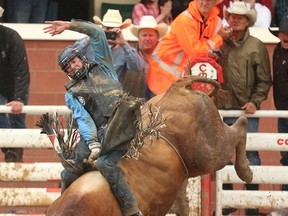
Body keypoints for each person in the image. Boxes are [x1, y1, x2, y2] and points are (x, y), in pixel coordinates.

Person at [43, 19, 142, 216]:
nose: (72, 67)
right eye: (67, 67)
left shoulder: (104, 65)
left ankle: (131, 210)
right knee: (68, 171)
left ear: (81, 58)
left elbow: (97, 33)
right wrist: (93, 143)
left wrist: (70, 26)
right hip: (99, 133)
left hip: (122, 124)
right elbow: (84, 119)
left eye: (73, 61)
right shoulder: (71, 94)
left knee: (105, 164)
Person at [217, 1, 272, 215]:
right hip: (223, 109)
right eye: (232, 16)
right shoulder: (220, 44)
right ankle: (228, 205)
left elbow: (264, 80)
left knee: (250, 157)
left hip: (245, 111)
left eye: (240, 16)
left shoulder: (256, 45)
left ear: (248, 20)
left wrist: (255, 102)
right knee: (223, 156)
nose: (235, 19)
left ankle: (251, 205)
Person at [146, 0, 232, 96]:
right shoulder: (185, 20)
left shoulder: (216, 22)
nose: (204, 2)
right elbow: (196, 52)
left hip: (183, 81)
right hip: (162, 79)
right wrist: (219, 37)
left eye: (208, 0)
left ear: (215, 2)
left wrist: (213, 54)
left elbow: (212, 52)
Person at [0, 7, 30, 162]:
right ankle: (9, 148)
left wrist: (18, 97)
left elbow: (21, 69)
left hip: (15, 82)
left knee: (18, 116)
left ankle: (16, 151)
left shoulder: (11, 37)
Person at [269, 17, 288, 192]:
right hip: (282, 112)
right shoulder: (277, 51)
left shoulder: (278, 51)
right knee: (285, 155)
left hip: (283, 112)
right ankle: (285, 201)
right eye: (283, 32)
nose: (286, 36)